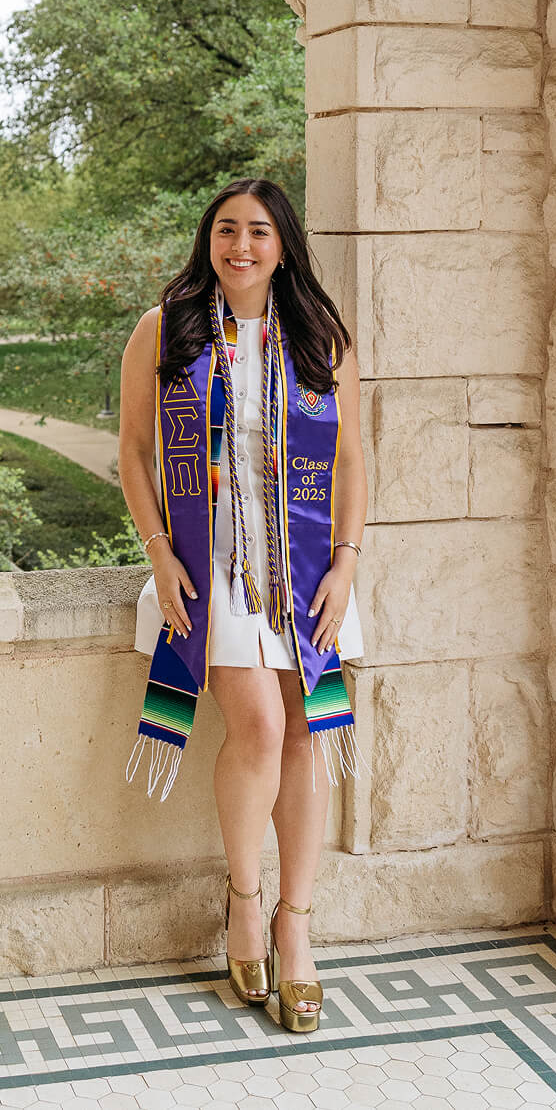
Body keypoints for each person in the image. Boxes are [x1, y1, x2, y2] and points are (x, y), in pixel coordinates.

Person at [117, 178, 368, 1034]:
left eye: (259, 232)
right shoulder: (167, 331)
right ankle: (244, 901)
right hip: (211, 569)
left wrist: (345, 564)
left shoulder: (319, 340)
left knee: (305, 726)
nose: (242, 246)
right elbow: (136, 450)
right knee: (259, 725)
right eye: (227, 230)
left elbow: (352, 466)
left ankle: (295, 933)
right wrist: (159, 552)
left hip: (303, 574)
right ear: (208, 239)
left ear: (284, 245)